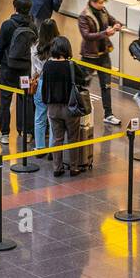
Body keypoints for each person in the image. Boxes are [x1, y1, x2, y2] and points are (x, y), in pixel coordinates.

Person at [41, 36, 89, 178]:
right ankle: (73, 167)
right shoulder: (71, 65)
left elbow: (44, 87)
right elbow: (83, 80)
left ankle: (57, 167)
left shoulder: (47, 66)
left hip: (53, 108)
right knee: (73, 138)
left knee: (57, 138)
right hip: (70, 107)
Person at [0, 0, 37, 145]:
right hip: (25, 70)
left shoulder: (7, 24)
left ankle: (5, 134)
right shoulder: (32, 26)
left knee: (5, 100)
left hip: (7, 68)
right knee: (26, 99)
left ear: (15, 8)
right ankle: (26, 131)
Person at [77, 0, 123, 125]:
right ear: (92, 1)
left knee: (106, 85)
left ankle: (108, 114)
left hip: (104, 53)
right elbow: (86, 36)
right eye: (100, 3)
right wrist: (105, 33)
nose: (103, 5)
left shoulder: (103, 11)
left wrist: (117, 24)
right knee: (82, 84)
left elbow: (111, 19)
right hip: (89, 55)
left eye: (103, 2)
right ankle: (78, 110)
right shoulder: (84, 16)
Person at [30, 18, 61, 155]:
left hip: (41, 83)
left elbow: (34, 71)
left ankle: (40, 147)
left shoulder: (36, 46)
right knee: (53, 117)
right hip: (55, 84)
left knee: (39, 116)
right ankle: (52, 149)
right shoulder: (60, 46)